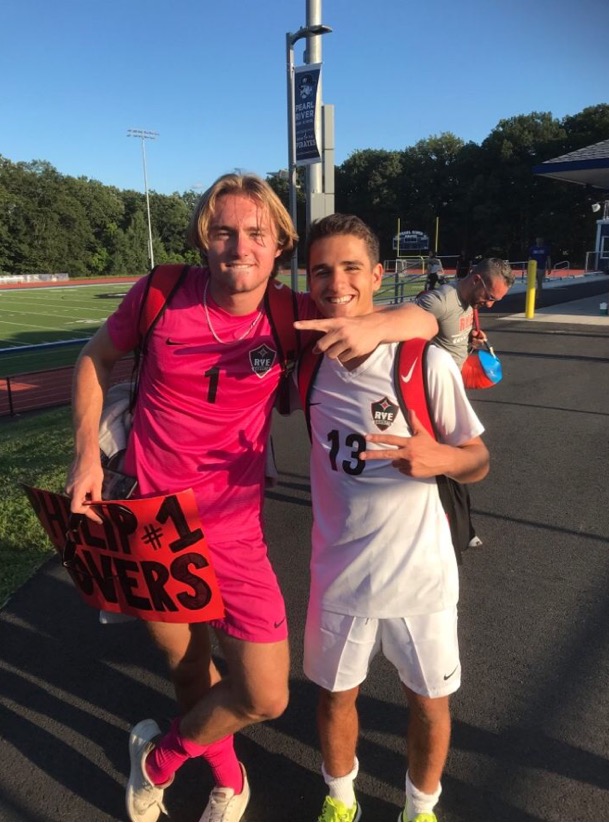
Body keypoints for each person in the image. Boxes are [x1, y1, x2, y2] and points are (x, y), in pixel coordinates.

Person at [66, 173, 438, 823]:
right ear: (203, 241)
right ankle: (227, 776)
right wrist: (85, 455)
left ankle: (157, 760)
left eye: (256, 234)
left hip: (235, 529)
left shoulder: (291, 314)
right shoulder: (160, 290)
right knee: (187, 672)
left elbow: (422, 316)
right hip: (154, 522)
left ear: (278, 246)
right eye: (224, 231)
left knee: (266, 694)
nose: (239, 246)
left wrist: (402, 317)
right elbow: (94, 359)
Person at [299, 214, 490, 822]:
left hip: (420, 579)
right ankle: (341, 799)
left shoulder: (420, 363)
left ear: (378, 275)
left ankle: (419, 807)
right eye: (323, 269)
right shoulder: (306, 363)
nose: (337, 283)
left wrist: (443, 458)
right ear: (308, 279)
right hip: (338, 578)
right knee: (334, 699)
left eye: (352, 267)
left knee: (431, 704)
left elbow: (479, 460)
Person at [416, 258, 515, 547]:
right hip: (430, 398)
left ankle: (461, 528)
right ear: (476, 280)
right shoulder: (440, 301)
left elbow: (451, 340)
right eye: (490, 296)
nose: (491, 304)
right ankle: (458, 531)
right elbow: (401, 328)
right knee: (451, 469)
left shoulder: (469, 304)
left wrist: (472, 341)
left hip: (451, 394)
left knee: (454, 468)